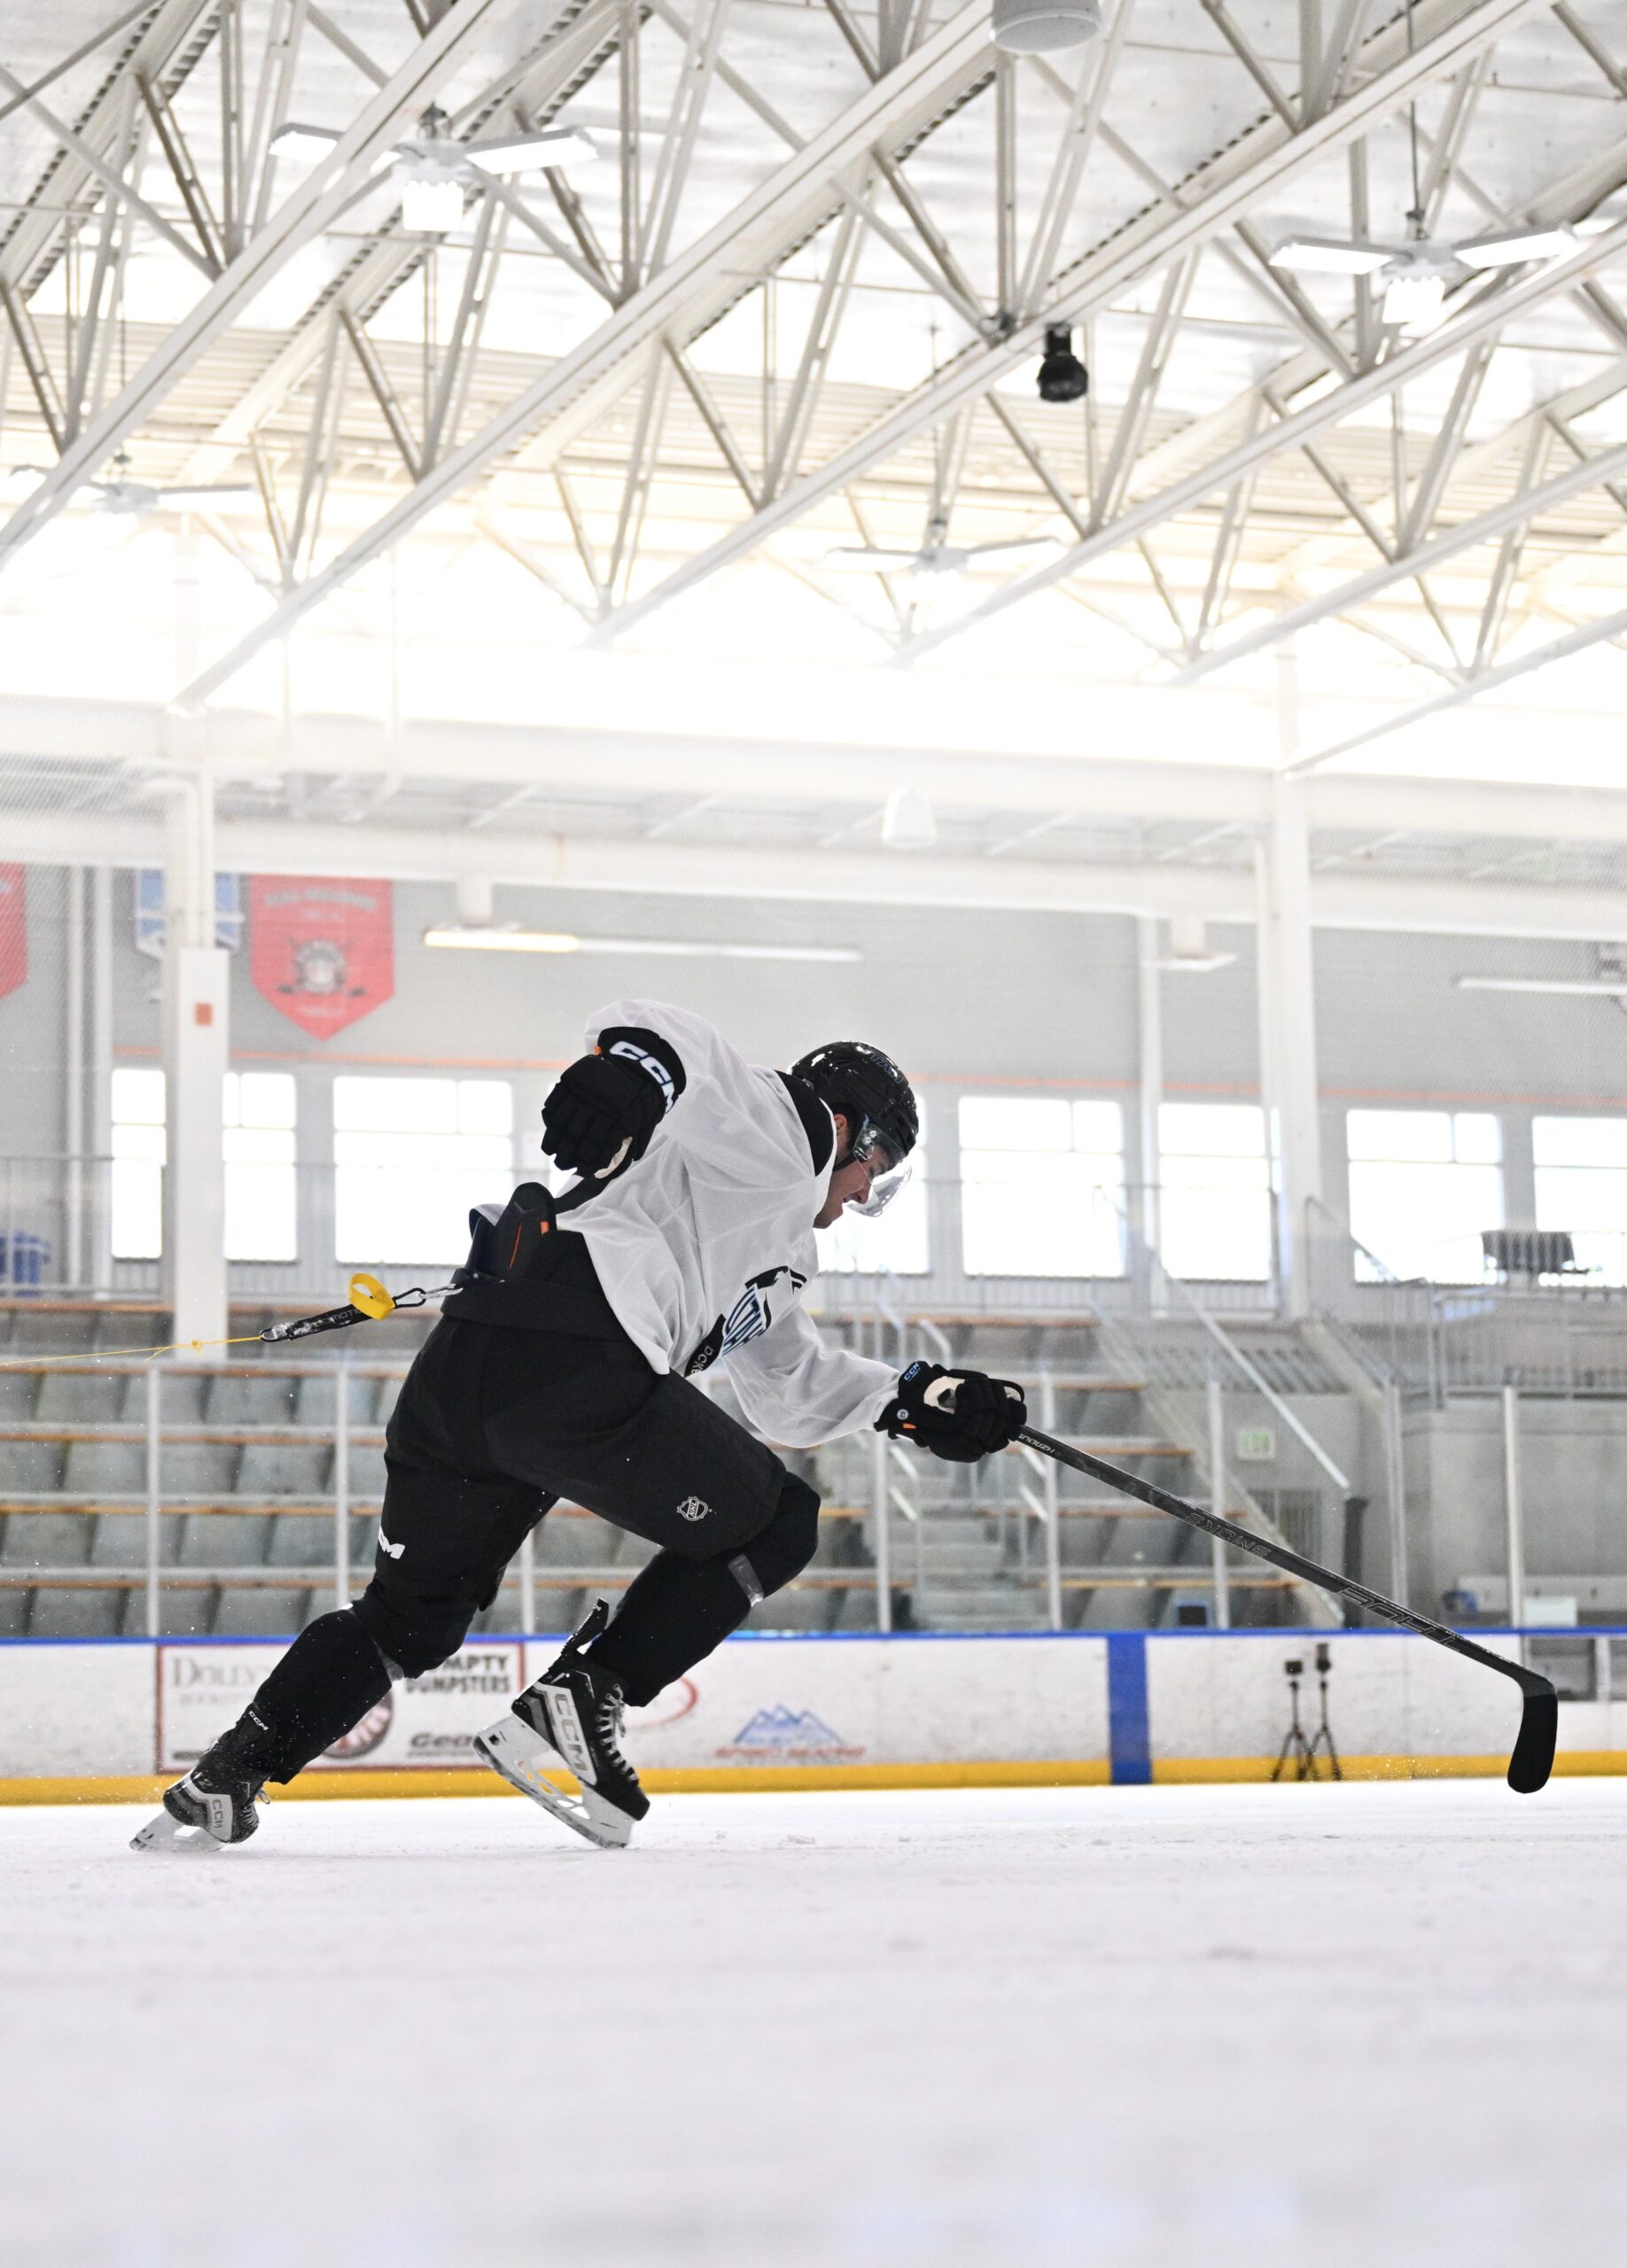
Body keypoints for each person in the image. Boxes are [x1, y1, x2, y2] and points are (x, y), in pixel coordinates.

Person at [133, 1004, 1026, 1853]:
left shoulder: (781, 1242)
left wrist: (915, 1395)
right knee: (780, 1521)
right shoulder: (787, 1127)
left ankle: (229, 1773)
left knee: (409, 1622)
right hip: (573, 1357)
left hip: (471, 1369)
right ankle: (585, 1691)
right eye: (879, 1169)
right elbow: (683, 1037)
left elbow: (787, 1382)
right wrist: (637, 1063)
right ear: (849, 1129)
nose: (863, 1195)